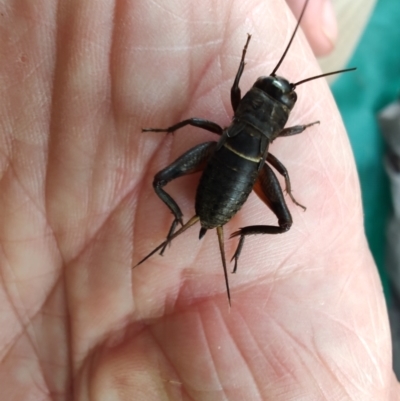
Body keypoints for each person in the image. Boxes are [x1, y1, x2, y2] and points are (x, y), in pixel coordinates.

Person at [0, 0, 398, 399]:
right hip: (246, 169)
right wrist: (287, 187)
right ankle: (195, 224)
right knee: (174, 181)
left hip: (227, 161)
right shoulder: (270, 132)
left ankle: (203, 225)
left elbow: (239, 126)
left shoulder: (240, 105)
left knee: (273, 213)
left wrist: (287, 190)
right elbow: (279, 165)